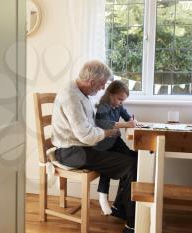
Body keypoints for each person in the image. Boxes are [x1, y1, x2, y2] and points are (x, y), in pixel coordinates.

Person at [51, 60, 137, 233]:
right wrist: (107, 133)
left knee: (135, 157)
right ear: (91, 82)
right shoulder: (72, 97)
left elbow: (89, 129)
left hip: (82, 147)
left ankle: (121, 208)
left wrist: (107, 132)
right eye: (101, 85)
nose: (102, 88)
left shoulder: (81, 93)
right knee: (132, 165)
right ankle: (131, 222)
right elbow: (87, 135)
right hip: (72, 152)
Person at [94, 80, 137, 217]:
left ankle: (120, 203)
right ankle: (102, 195)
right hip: (103, 143)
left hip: (115, 141)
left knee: (134, 158)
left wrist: (132, 120)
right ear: (110, 94)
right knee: (109, 163)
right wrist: (126, 125)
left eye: (123, 100)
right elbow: (105, 123)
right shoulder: (103, 106)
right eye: (119, 99)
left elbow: (126, 115)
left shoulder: (119, 106)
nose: (120, 102)